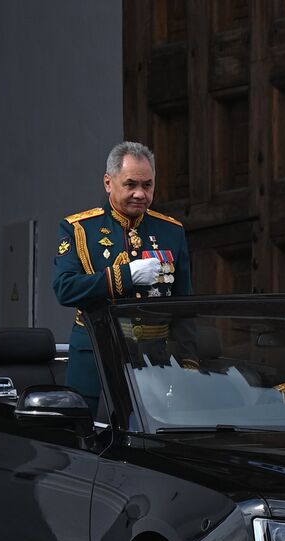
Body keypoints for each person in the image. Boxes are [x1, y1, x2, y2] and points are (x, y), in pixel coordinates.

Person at [52, 141, 193, 412]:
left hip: (153, 364)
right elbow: (64, 288)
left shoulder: (171, 231)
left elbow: (184, 305)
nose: (140, 194)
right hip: (96, 359)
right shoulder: (79, 229)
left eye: (147, 185)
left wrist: (189, 364)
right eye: (131, 184)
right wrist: (126, 276)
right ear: (108, 183)